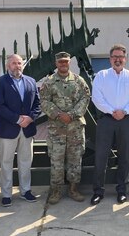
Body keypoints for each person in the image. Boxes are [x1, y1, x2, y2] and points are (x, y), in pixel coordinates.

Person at [90, 44, 129, 205]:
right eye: (114, 57)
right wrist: (112, 111)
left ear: (125, 59)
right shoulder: (101, 75)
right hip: (106, 119)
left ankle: (121, 190)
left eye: (120, 57)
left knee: (124, 155)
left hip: (125, 120)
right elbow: (96, 98)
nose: (117, 59)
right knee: (101, 156)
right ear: (110, 59)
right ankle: (98, 191)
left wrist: (124, 112)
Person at [40, 52, 91, 204]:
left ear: (69, 63)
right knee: (56, 161)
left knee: (75, 160)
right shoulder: (49, 82)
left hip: (75, 128)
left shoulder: (78, 81)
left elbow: (85, 97)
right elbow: (43, 101)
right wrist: (58, 114)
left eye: (66, 62)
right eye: (60, 62)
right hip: (57, 129)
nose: (63, 64)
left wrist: (73, 114)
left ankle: (73, 189)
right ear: (56, 63)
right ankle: (56, 191)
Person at [0, 54, 41, 207]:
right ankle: (6, 194)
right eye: (13, 63)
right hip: (8, 128)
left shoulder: (31, 82)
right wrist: (18, 119)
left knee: (26, 161)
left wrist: (30, 118)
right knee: (6, 162)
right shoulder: (0, 83)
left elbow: (38, 104)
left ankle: (25, 190)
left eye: (19, 63)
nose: (17, 66)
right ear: (8, 66)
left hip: (27, 129)